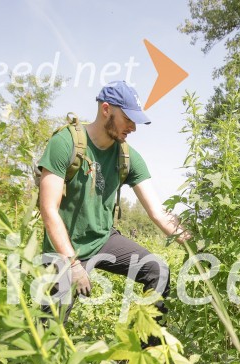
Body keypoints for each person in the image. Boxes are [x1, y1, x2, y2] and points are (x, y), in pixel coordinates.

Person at [37, 80, 189, 323]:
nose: (133, 128)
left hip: (102, 239)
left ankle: (145, 352)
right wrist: (73, 263)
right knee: (50, 325)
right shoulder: (64, 143)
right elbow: (49, 210)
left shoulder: (127, 156)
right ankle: (32, 358)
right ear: (106, 109)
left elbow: (158, 212)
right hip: (64, 247)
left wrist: (192, 243)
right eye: (128, 119)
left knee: (156, 270)